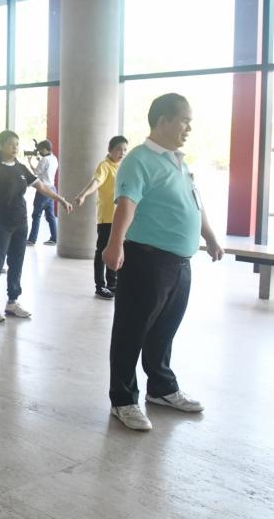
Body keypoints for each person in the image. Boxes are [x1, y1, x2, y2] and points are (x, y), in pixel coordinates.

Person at [103, 93, 223, 432]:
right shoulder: (138, 160)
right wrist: (114, 244)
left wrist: (210, 237)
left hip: (180, 262)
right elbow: (126, 204)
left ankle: (161, 388)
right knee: (131, 331)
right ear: (162, 121)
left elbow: (195, 203)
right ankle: (123, 400)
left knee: (164, 330)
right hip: (146, 260)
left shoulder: (179, 162)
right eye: (184, 120)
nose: (189, 128)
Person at [0, 130, 72, 323]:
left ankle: (12, 302)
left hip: (20, 222)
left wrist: (60, 199)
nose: (15, 147)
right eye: (11, 144)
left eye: (17, 144)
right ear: (1, 146)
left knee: (16, 263)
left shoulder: (21, 168)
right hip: (0, 222)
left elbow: (41, 186)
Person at [73, 136, 129, 300]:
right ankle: (100, 286)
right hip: (107, 218)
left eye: (125, 150)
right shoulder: (104, 166)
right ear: (110, 150)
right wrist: (83, 194)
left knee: (116, 249)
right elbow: (96, 182)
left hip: (120, 218)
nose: (122, 153)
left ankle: (113, 284)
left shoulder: (123, 167)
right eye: (118, 149)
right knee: (102, 251)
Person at [27, 140, 59, 246]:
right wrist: (39, 161)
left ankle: (32, 239)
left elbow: (36, 172)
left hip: (43, 190)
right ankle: (54, 238)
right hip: (52, 189)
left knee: (36, 215)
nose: (39, 152)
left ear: (45, 149)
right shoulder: (54, 158)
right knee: (50, 216)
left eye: (40, 150)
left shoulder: (44, 159)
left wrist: (30, 162)